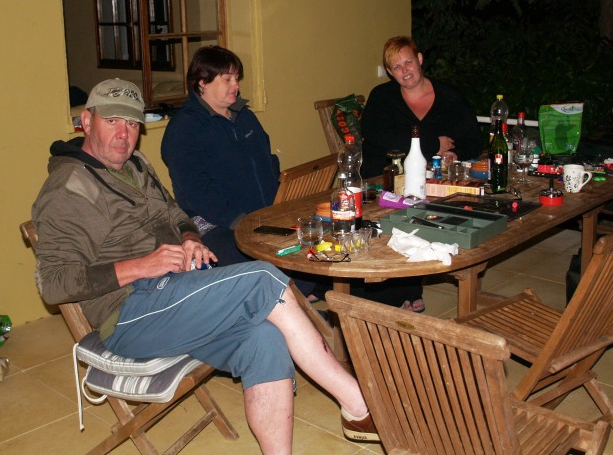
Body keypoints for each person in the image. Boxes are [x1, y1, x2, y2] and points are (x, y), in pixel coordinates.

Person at [32, 78, 377, 453]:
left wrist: (189, 237)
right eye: (112, 121)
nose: (123, 134)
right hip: (129, 312)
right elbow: (54, 283)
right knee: (264, 277)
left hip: (175, 292)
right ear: (86, 121)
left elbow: (174, 212)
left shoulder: (136, 165)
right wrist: (142, 265)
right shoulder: (67, 188)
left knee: (264, 339)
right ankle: (358, 405)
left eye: (131, 123)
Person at [160, 46, 314, 296]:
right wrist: (241, 222)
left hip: (261, 218)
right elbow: (195, 190)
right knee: (276, 272)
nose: (236, 85)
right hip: (217, 225)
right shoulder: (185, 129)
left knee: (316, 252)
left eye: (237, 78)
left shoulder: (244, 117)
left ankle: (309, 303)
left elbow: (267, 164)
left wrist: (279, 209)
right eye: (227, 79)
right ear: (202, 83)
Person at [358, 36, 482, 312]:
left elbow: (473, 140)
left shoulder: (449, 97)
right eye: (396, 67)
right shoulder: (382, 97)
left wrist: (455, 153)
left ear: (420, 59)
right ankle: (395, 293)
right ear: (389, 72)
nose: (405, 71)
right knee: (397, 216)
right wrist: (432, 143)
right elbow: (377, 136)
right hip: (385, 181)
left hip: (434, 182)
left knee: (437, 212)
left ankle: (408, 286)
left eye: (408, 62)